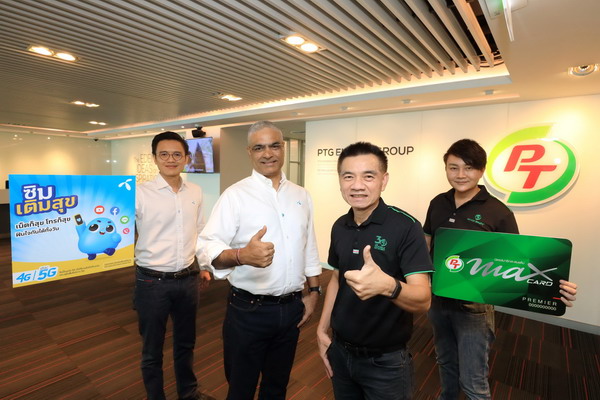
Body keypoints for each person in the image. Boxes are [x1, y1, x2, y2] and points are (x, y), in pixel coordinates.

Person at [423, 138, 578, 400]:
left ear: (481, 170)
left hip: (474, 307)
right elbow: (427, 241)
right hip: (437, 300)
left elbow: (516, 263)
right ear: (446, 168)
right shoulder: (438, 202)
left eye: (469, 168)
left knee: (473, 379)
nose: (460, 175)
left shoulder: (498, 211)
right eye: (453, 167)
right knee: (445, 362)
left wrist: (554, 286)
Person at [200, 121, 322, 400]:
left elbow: (309, 247)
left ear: (283, 147)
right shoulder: (235, 195)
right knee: (240, 389)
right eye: (259, 148)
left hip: (291, 309)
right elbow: (206, 247)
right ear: (249, 152)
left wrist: (314, 292)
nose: (268, 154)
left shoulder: (301, 195)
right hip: (248, 311)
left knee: (276, 388)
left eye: (274, 146)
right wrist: (241, 255)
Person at [316, 141, 433, 400]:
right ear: (340, 181)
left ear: (384, 180)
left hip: (386, 362)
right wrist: (321, 330)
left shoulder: (406, 227)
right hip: (340, 352)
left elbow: (423, 299)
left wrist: (388, 286)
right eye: (348, 176)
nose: (357, 185)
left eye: (368, 176)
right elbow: (336, 278)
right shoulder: (339, 226)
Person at [134, 131, 213, 400]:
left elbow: (199, 230)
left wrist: (203, 265)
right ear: (154, 158)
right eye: (164, 154)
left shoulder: (195, 191)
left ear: (187, 158)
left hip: (188, 279)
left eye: (177, 154)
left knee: (186, 343)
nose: (171, 159)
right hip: (151, 281)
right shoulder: (140, 194)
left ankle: (188, 393)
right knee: (152, 349)